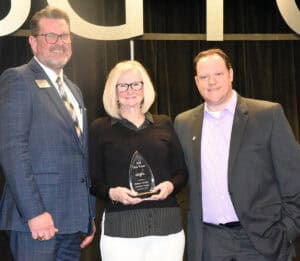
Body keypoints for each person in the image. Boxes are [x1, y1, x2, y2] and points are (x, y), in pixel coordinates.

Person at [174, 48, 300, 261]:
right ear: (196, 81)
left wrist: (286, 231)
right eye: (204, 77)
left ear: (231, 74)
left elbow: (294, 181)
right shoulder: (184, 123)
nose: (211, 82)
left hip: (262, 241)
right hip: (209, 243)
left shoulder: (267, 115)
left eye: (218, 74)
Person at [0, 6, 95, 261]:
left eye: (64, 36)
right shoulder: (18, 80)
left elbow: (81, 157)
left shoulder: (74, 91)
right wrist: (34, 213)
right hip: (36, 221)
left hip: (72, 221)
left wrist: (88, 214)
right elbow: (12, 152)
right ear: (33, 42)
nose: (59, 43)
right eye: (50, 36)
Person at [89, 60, 188, 261]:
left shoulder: (164, 123)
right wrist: (112, 193)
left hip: (167, 229)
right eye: (123, 85)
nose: (130, 90)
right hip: (121, 229)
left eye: (136, 84)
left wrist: (170, 185)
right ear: (113, 91)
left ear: (145, 88)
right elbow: (93, 180)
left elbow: (181, 173)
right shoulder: (100, 128)